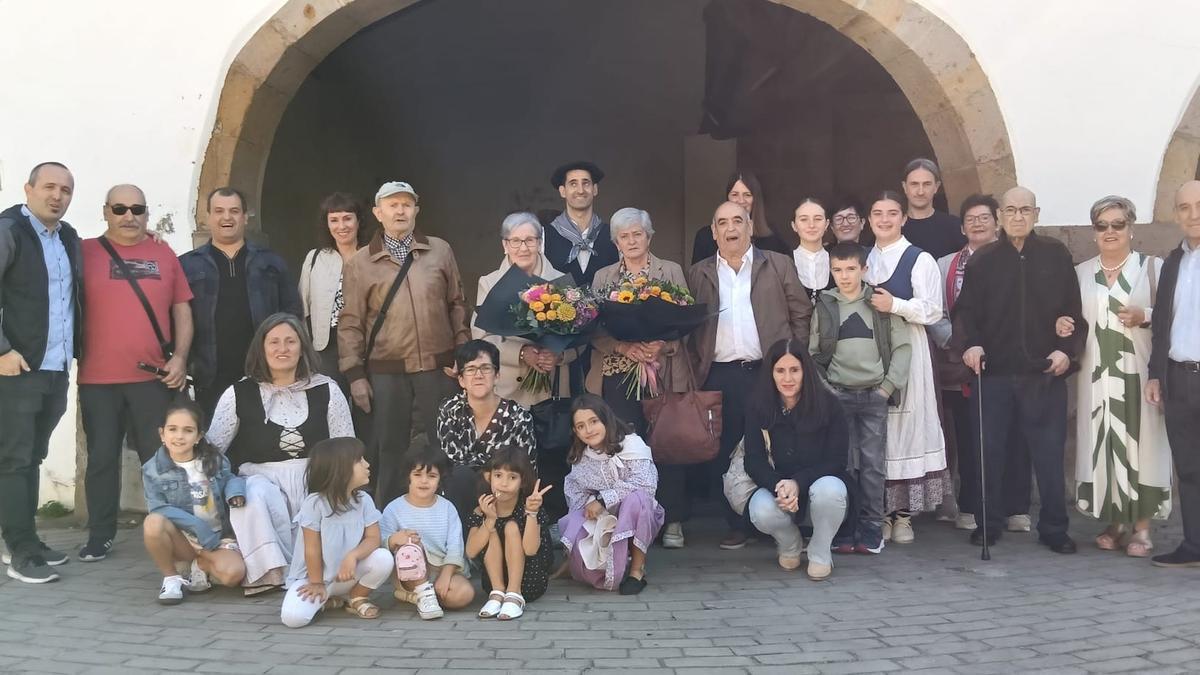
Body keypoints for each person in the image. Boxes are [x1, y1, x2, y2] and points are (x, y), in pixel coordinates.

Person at [955, 186, 1086, 554]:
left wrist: (1065, 351)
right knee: (989, 453)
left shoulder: (1056, 255)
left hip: (1043, 374)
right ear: (999, 216)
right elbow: (965, 313)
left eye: (1024, 210)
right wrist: (971, 345)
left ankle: (1054, 528)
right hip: (993, 373)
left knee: (1047, 454)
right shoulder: (982, 260)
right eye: (1010, 210)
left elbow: (1073, 313)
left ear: (1036, 213)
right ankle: (989, 524)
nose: (1017, 216)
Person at [78, 184, 194, 563]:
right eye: (120, 208)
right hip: (97, 378)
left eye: (137, 209)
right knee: (102, 458)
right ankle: (100, 535)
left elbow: (182, 310)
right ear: (106, 211)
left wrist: (180, 358)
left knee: (159, 459)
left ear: (147, 213)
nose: (129, 216)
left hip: (152, 377)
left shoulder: (163, 251)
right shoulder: (83, 252)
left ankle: (169, 529)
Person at [1051, 196, 1172, 556]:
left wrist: (1145, 314)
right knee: (1105, 445)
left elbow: (1172, 314)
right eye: (1102, 225)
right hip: (1097, 376)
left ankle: (1143, 529)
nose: (1110, 232)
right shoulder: (1081, 273)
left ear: (1131, 228)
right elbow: (1071, 318)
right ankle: (1116, 521)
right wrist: (1062, 324)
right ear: (1093, 232)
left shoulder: (1152, 267)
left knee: (1142, 446)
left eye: (1117, 224)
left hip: (1138, 372)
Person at [688, 201, 812, 550]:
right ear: (713, 232)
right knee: (725, 450)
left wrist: (794, 358)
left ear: (750, 226)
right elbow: (687, 327)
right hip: (719, 375)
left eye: (738, 221)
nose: (731, 228)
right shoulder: (698, 273)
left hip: (768, 373)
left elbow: (801, 313)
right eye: (722, 222)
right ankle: (739, 523)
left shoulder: (778, 264)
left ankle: (781, 518)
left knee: (775, 445)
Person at [339, 181, 468, 506]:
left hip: (439, 367)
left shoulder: (439, 250)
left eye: (406, 205)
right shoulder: (360, 262)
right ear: (378, 213)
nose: (400, 211)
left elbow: (457, 303)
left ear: (416, 210)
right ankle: (387, 519)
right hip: (387, 369)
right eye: (392, 205)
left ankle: (450, 513)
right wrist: (354, 374)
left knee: (445, 443)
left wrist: (462, 352)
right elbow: (351, 320)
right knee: (389, 447)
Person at [207, 313, 355, 593]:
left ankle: (306, 572)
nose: (282, 349)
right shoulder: (239, 392)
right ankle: (270, 572)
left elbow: (346, 448)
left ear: (303, 347)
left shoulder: (327, 389)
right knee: (252, 494)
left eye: (290, 341)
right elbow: (212, 451)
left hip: (314, 479)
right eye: (273, 342)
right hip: (262, 481)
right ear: (261, 348)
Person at [586, 207, 692, 549]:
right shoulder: (604, 277)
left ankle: (673, 519)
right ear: (616, 241)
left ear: (649, 236)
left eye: (638, 234)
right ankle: (627, 517)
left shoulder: (670, 271)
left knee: (667, 442)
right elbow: (593, 328)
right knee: (626, 447)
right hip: (618, 374)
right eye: (624, 236)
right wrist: (623, 347)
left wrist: (660, 346)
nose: (631, 241)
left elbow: (686, 321)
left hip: (661, 373)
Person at [0, 162, 82, 583]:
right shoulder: (9, 230)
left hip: (55, 365)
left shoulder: (67, 237)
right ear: (28, 188)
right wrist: (3, 350)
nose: (57, 196)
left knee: (32, 456)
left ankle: (25, 537)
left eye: (66, 189)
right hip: (18, 369)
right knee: (14, 460)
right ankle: (21, 552)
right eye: (49, 187)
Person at [935, 194, 1032, 534]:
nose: (978, 223)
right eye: (971, 219)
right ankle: (973, 506)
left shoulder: (1018, 259)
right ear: (962, 227)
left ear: (997, 221)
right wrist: (958, 344)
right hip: (963, 364)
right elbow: (938, 312)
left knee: (1014, 436)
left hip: (1009, 363)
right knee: (970, 437)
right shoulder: (945, 264)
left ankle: (1016, 506)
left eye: (984, 217)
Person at [810, 243, 910, 555]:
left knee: (872, 466)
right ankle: (845, 528)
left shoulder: (879, 303)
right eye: (838, 270)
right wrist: (827, 391)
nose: (844, 276)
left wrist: (887, 388)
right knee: (844, 464)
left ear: (864, 269)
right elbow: (813, 353)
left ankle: (871, 529)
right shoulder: (825, 305)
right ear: (831, 271)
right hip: (838, 396)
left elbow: (902, 347)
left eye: (851, 269)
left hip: (873, 396)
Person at [863, 191, 949, 544]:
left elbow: (932, 310)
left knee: (907, 427)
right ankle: (879, 511)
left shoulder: (919, 259)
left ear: (904, 218)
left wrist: (894, 303)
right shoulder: (864, 258)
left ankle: (904, 516)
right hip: (870, 353)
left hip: (910, 352)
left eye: (892, 213)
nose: (885, 219)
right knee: (876, 430)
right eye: (878, 213)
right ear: (869, 219)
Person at [180, 187, 302, 418]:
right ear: (208, 217)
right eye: (219, 211)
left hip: (264, 373)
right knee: (216, 446)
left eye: (234, 211)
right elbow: (174, 318)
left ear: (245, 217)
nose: (227, 217)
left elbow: (292, 313)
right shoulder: (187, 266)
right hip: (210, 375)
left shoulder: (271, 263)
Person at [745, 339, 852, 579]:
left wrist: (798, 482)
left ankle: (820, 552)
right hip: (780, 489)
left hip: (820, 488)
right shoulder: (758, 406)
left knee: (831, 489)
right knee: (760, 509)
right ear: (770, 373)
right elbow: (753, 459)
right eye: (780, 371)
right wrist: (779, 486)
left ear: (806, 371)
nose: (788, 379)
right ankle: (790, 544)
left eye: (795, 370)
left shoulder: (829, 405)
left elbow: (837, 460)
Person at [279, 438, 393, 628]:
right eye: (360, 460)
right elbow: (312, 549)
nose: (367, 464)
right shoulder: (314, 504)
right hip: (315, 578)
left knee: (384, 558)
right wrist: (316, 583)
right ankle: (330, 600)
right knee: (293, 618)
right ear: (340, 469)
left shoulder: (364, 500)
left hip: (346, 575)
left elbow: (374, 538)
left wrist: (353, 555)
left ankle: (355, 597)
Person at [142, 400, 246, 604]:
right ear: (162, 434)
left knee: (233, 575)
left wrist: (234, 492)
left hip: (218, 538)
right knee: (153, 523)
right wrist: (197, 526)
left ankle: (200, 565)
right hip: (184, 539)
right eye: (172, 429)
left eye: (188, 430)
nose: (179, 436)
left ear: (199, 436)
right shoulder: (152, 469)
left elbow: (232, 478)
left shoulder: (214, 460)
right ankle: (172, 577)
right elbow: (158, 507)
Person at [558, 394, 664, 594]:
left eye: (593, 421)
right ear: (575, 431)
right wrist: (592, 507)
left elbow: (646, 484)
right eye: (581, 426)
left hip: (639, 515)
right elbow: (575, 490)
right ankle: (605, 567)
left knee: (637, 499)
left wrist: (603, 500)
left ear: (606, 419)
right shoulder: (583, 457)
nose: (588, 430)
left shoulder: (632, 445)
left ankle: (636, 570)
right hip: (603, 519)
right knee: (574, 521)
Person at [1146, 179, 1200, 568]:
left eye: (1199, 205)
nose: (1193, 214)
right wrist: (1155, 374)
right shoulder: (1173, 263)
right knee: (1190, 468)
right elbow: (1162, 322)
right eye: (1184, 207)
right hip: (1180, 378)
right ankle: (1194, 546)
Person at [473, 212, 578, 406]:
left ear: (539, 243)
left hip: (551, 387)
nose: (523, 248)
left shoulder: (560, 281)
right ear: (505, 245)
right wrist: (521, 353)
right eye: (515, 241)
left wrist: (559, 355)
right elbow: (481, 338)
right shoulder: (489, 283)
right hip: (508, 388)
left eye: (530, 240)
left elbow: (580, 338)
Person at [437, 340, 537, 525]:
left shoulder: (518, 417)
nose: (478, 375)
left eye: (485, 368)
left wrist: (494, 477)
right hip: (461, 490)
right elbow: (451, 460)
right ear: (461, 380)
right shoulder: (449, 410)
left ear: (497, 375)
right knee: (459, 475)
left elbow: (527, 468)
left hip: (505, 492)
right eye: (470, 369)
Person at [379, 442, 474, 620]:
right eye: (417, 474)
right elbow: (381, 542)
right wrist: (394, 539)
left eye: (431, 476)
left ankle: (419, 597)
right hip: (410, 573)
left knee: (464, 594)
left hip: (441, 568)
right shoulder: (394, 508)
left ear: (440, 480)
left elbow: (455, 546)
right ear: (408, 476)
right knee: (410, 545)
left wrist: (446, 574)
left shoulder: (447, 508)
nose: (424, 481)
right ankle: (421, 593)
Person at [466, 446, 553, 620]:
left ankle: (514, 593)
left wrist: (532, 513)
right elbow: (471, 551)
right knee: (490, 530)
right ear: (488, 476)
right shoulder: (481, 509)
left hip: (529, 581)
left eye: (512, 477)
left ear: (523, 481)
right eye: (498, 476)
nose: (504, 484)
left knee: (511, 527)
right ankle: (498, 592)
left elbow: (530, 550)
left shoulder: (528, 508)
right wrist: (489, 520)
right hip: (492, 584)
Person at [299, 192, 372, 393]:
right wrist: (305, 352)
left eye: (347, 218)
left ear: (359, 221)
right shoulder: (315, 258)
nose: (342, 226)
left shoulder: (373, 257)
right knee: (330, 404)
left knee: (366, 407)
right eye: (334, 220)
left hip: (366, 345)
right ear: (327, 224)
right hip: (326, 346)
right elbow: (302, 308)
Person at [542, 161, 619, 287]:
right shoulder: (544, 235)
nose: (580, 190)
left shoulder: (615, 234)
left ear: (594, 189)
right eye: (573, 184)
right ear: (563, 191)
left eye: (586, 183)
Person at [692, 171, 791, 264]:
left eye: (747, 195)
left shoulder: (772, 238)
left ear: (755, 199)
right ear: (727, 198)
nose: (741, 200)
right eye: (735, 194)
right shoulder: (705, 237)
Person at [899, 158, 966, 259]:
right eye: (914, 184)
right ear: (904, 187)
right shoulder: (892, 227)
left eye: (927, 184)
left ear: (936, 187)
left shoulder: (955, 226)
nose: (920, 192)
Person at [790, 198, 835, 305]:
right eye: (804, 219)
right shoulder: (784, 262)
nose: (811, 225)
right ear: (794, 226)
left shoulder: (836, 260)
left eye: (818, 219)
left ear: (826, 224)